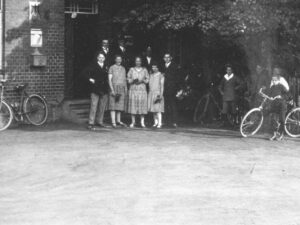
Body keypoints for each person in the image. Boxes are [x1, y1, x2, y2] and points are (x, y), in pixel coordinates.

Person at [263, 67, 290, 141]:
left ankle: (281, 134)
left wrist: (281, 96)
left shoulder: (281, 86)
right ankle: (274, 134)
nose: (274, 81)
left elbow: (287, 95)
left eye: (275, 80)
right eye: (273, 80)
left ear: (278, 80)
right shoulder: (273, 87)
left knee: (282, 119)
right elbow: (269, 94)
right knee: (273, 118)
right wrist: (267, 97)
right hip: (275, 104)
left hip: (282, 104)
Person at [86, 52, 109, 130]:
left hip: (104, 88)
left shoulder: (106, 66)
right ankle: (91, 123)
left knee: (102, 107)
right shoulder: (93, 65)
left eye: (103, 57)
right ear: (97, 58)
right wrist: (90, 79)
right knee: (94, 106)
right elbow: (85, 73)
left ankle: (99, 121)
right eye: (100, 57)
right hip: (95, 88)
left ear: (104, 58)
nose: (101, 59)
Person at [127, 57, 149, 128]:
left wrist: (143, 80)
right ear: (135, 62)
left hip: (142, 89)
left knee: (142, 105)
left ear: (141, 62)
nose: (138, 62)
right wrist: (132, 80)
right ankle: (133, 122)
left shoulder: (144, 70)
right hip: (133, 89)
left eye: (139, 61)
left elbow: (147, 79)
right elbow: (128, 78)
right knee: (133, 104)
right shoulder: (131, 69)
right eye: (136, 61)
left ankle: (142, 122)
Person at [108, 55, 128, 128]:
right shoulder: (111, 67)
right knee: (113, 106)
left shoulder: (123, 68)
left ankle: (118, 121)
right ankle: (113, 122)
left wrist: (126, 89)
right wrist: (112, 90)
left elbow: (124, 80)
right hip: (114, 87)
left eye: (120, 59)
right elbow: (109, 80)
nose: (119, 60)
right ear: (115, 60)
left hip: (121, 88)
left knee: (119, 106)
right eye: (117, 59)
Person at [161, 53, 180, 128]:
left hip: (172, 88)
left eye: (168, 57)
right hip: (164, 88)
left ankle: (174, 121)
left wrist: (176, 88)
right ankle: (166, 121)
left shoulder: (174, 66)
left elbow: (177, 78)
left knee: (173, 105)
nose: (166, 59)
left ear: (171, 58)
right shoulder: (162, 66)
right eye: (165, 57)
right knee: (165, 105)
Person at [148, 62, 165, 128]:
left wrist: (161, 94)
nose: (154, 68)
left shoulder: (161, 75)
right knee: (153, 109)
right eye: (152, 67)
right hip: (151, 93)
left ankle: (160, 123)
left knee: (158, 109)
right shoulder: (151, 75)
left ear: (158, 68)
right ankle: (155, 122)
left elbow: (162, 85)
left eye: (155, 67)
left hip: (157, 93)